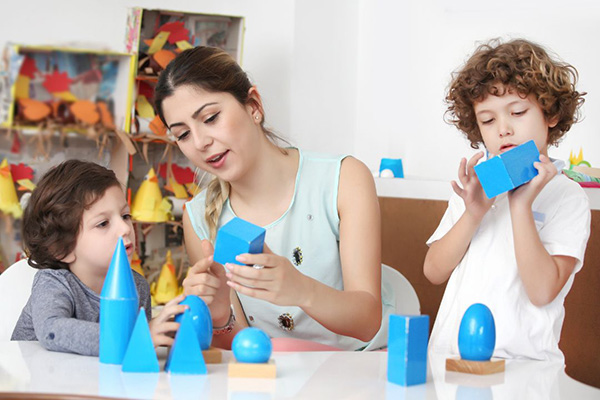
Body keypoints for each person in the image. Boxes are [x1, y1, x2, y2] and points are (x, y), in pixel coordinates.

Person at [154, 46, 393, 351]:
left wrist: (301, 289)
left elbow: (368, 319)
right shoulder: (199, 217)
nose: (200, 142)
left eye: (211, 118)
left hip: (355, 373)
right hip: (270, 377)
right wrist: (217, 316)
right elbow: (238, 344)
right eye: (183, 135)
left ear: (253, 105)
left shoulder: (343, 179)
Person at [424, 38, 591, 361]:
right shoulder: (476, 187)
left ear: (551, 114)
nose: (503, 129)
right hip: (451, 357)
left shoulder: (567, 197)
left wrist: (521, 205)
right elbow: (433, 271)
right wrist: (473, 213)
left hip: (525, 366)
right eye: (488, 120)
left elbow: (542, 291)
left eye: (517, 112)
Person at [11, 160, 186, 356]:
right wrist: (134, 337)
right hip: (33, 383)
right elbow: (51, 330)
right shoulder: (54, 283)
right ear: (61, 249)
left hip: (92, 382)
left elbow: (134, 354)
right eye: (103, 223)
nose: (125, 228)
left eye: (125, 215)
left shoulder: (137, 287)